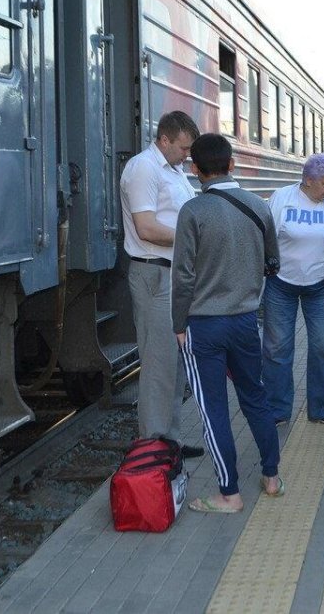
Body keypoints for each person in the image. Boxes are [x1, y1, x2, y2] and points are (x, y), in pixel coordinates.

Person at [172, 134, 283, 513]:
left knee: (213, 408)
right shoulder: (258, 206)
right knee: (255, 396)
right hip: (244, 322)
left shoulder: (193, 211)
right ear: (232, 164)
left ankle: (229, 494)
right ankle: (271, 476)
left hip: (204, 326)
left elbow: (183, 276)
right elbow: (273, 262)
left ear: (195, 169)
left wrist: (178, 322)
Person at [119, 110, 204, 459]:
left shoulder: (173, 170)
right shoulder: (143, 168)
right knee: (157, 365)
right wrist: (195, 239)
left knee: (174, 362)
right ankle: (154, 446)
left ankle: (170, 440)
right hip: (155, 273)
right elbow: (146, 228)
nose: (188, 156)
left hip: (174, 274)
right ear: (164, 139)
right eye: (183, 148)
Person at [263, 154, 324, 426]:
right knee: (277, 348)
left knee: (322, 347)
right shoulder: (282, 198)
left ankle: (321, 408)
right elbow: (266, 238)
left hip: (319, 287)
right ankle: (278, 410)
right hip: (281, 284)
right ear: (308, 180)